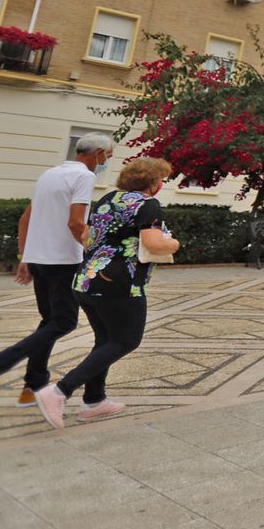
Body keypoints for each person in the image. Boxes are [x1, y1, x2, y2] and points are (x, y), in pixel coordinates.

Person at [0, 133, 113, 417]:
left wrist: (25, 256)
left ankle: (34, 385)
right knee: (63, 322)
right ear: (98, 153)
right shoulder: (85, 178)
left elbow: (26, 218)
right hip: (63, 261)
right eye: (107, 158)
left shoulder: (49, 174)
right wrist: (94, 251)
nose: (106, 164)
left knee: (50, 322)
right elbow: (77, 223)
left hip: (40, 260)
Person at [33, 158, 178, 429]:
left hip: (86, 280)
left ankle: (94, 401)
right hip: (120, 284)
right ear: (152, 181)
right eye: (162, 180)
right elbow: (153, 243)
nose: (161, 185)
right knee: (126, 341)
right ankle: (58, 392)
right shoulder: (148, 204)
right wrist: (173, 242)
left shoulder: (108, 199)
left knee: (105, 341)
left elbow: (87, 238)